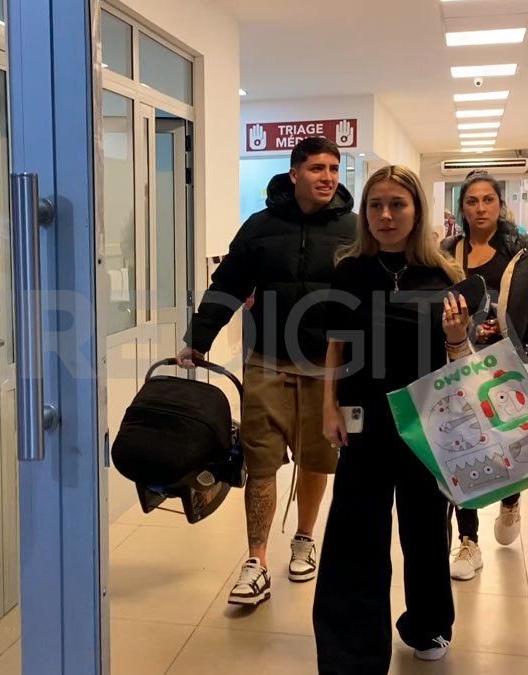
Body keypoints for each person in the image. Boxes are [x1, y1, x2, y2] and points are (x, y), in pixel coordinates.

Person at [179, 136, 356, 606]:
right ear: (294, 172)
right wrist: (199, 338)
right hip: (267, 359)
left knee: (318, 456)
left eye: (334, 169)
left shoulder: (353, 229)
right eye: (317, 168)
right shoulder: (260, 226)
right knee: (260, 458)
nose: (328, 177)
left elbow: (370, 295)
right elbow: (228, 283)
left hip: (327, 365)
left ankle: (304, 538)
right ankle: (255, 561)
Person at [313, 165, 464, 672]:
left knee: (424, 530)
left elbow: (461, 360)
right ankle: (353, 649)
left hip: (426, 418)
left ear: (417, 210)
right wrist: (327, 406)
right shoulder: (349, 271)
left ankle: (429, 624)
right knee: (356, 533)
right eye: (375, 205)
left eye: (397, 204)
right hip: (362, 416)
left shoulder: (444, 276)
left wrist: (459, 333)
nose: (384, 214)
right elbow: (335, 345)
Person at [439, 173, 528, 580]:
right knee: (462, 449)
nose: (480, 208)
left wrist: (511, 324)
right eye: (472, 202)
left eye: (488, 200)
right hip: (459, 357)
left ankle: (510, 500)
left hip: (507, 363)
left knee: (507, 444)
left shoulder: (521, 247)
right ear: (462, 208)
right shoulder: (447, 250)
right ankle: (468, 542)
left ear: (500, 204)